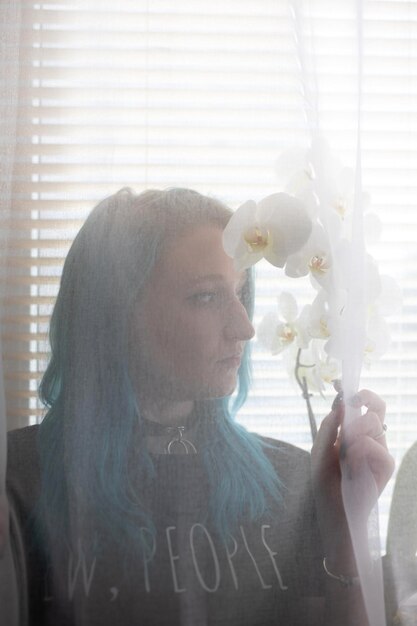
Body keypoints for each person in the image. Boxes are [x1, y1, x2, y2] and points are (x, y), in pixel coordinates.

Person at [5, 187, 393, 625]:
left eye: (240, 294)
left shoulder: (293, 483)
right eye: (206, 297)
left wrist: (345, 524)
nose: (244, 328)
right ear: (115, 313)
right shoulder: (18, 482)